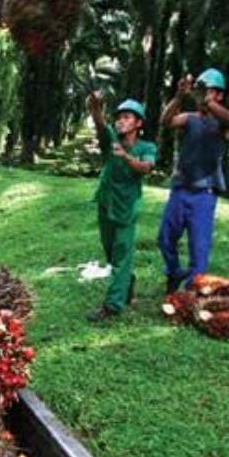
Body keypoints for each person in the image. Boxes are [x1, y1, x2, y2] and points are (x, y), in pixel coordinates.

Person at [157, 68, 229, 293]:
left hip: (205, 195)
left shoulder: (225, 122)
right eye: (201, 90)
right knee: (165, 239)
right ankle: (174, 272)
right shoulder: (190, 118)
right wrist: (179, 96)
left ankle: (191, 294)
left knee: (199, 249)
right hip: (180, 189)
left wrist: (208, 102)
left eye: (209, 91)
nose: (203, 95)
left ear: (220, 95)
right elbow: (166, 121)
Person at [86, 93, 157, 322]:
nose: (120, 121)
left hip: (127, 208)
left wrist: (126, 157)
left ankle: (112, 306)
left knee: (121, 254)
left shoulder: (147, 146)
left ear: (138, 123)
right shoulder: (111, 138)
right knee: (111, 252)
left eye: (127, 117)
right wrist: (95, 104)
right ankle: (127, 281)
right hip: (106, 204)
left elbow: (146, 167)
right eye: (119, 117)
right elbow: (99, 122)